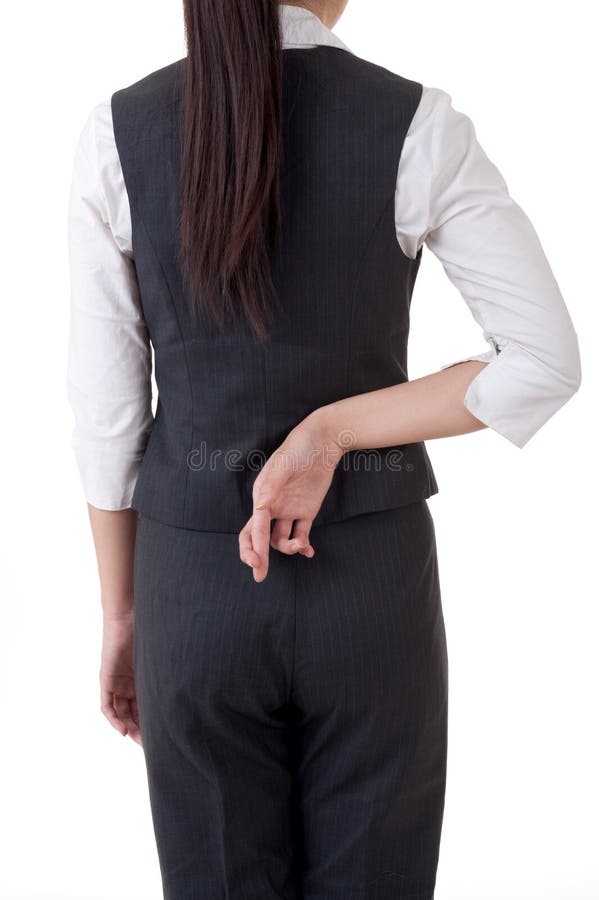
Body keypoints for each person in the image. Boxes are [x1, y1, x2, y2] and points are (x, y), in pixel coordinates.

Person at [66, 1, 581, 897]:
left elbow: (106, 420)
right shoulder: (417, 123)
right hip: (371, 585)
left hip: (192, 590)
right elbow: (542, 361)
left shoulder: (118, 134)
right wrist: (332, 432)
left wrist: (122, 616)